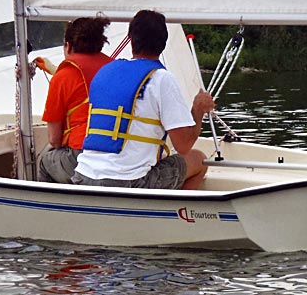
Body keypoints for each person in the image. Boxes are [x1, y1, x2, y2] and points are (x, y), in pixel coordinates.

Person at [72, 10, 215, 190]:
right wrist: (198, 110)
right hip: (129, 182)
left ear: (131, 40)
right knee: (199, 159)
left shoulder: (105, 72)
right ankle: (173, 216)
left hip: (83, 176)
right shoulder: (162, 79)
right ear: (163, 44)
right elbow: (183, 145)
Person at [36, 17, 113, 183]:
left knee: (45, 162)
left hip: (82, 155)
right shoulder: (116, 69)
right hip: (119, 152)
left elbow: (54, 140)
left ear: (68, 45)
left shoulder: (62, 78)